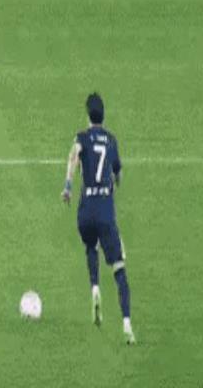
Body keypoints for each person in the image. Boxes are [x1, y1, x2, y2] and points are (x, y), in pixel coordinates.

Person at [61, 93, 135, 344]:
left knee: (90, 246)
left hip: (85, 210)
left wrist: (68, 186)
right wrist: (114, 182)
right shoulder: (111, 140)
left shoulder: (82, 137)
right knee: (119, 267)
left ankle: (94, 287)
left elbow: (73, 155)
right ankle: (127, 325)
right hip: (104, 209)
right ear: (104, 115)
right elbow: (118, 174)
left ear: (88, 115)